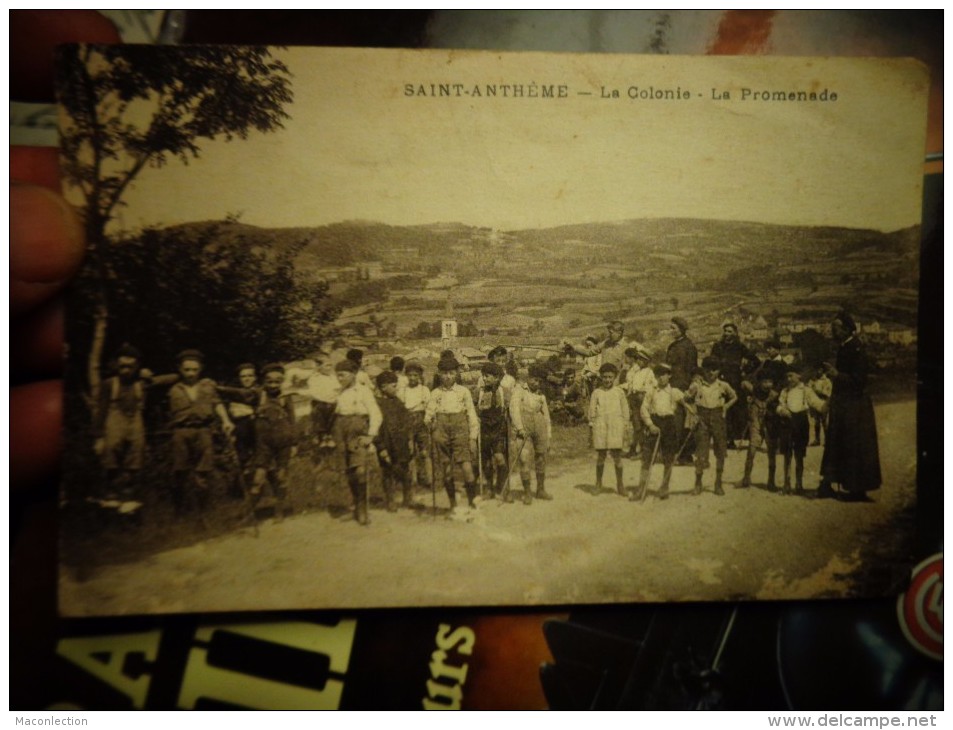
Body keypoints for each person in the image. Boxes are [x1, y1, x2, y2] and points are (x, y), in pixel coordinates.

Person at [818, 313, 882, 501]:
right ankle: (830, 484)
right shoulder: (845, 346)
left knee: (854, 446)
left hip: (855, 406)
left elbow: (859, 381)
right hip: (845, 404)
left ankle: (856, 488)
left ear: (846, 329)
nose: (832, 331)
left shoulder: (856, 349)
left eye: (835, 327)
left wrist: (836, 374)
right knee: (839, 443)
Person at [167, 349, 235, 514]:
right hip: (181, 432)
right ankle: (180, 511)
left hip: (203, 431)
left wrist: (226, 421)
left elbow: (217, 403)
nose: (190, 373)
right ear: (180, 369)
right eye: (187, 369)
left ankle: (203, 511)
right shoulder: (173, 388)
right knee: (179, 471)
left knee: (203, 471)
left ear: (201, 369)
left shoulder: (207, 386)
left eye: (194, 370)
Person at [91, 343, 162, 502]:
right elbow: (101, 411)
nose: (126, 370)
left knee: (135, 455)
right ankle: (111, 495)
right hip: (114, 421)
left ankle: (129, 497)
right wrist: (98, 437)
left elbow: (173, 377)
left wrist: (149, 376)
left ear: (137, 366)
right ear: (116, 364)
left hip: (135, 422)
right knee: (111, 453)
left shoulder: (142, 384)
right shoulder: (109, 384)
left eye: (130, 367)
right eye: (122, 366)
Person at [424, 356, 480, 515]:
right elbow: (428, 416)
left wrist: (473, 437)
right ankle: (453, 504)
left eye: (451, 373)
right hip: (441, 431)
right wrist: (431, 425)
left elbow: (472, 415)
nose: (448, 376)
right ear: (439, 374)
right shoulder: (435, 393)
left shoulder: (463, 392)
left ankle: (472, 502)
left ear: (457, 373)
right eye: (444, 373)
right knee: (446, 468)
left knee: (466, 466)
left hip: (461, 430)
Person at [332, 358, 382, 525]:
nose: (340, 379)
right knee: (348, 472)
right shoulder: (338, 392)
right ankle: (354, 506)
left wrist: (370, 435)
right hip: (341, 432)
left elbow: (376, 414)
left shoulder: (363, 391)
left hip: (358, 432)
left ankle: (362, 508)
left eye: (343, 375)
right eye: (337, 376)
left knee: (360, 471)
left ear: (353, 375)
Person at [249, 363, 298, 517]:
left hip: (283, 442)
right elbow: (240, 396)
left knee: (281, 476)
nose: (273, 385)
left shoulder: (285, 397)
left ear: (282, 381)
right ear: (264, 382)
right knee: (258, 478)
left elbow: (292, 419)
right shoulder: (258, 395)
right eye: (269, 381)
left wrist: (295, 443)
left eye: (277, 381)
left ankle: (279, 509)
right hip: (263, 443)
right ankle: (250, 512)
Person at [687, 356, 737, 496]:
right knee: (701, 453)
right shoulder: (698, 385)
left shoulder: (723, 385)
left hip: (718, 419)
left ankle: (718, 483)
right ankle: (698, 483)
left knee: (720, 451)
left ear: (719, 371)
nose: (711, 373)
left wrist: (725, 407)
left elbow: (734, 396)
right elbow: (685, 399)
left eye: (714, 370)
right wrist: (693, 412)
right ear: (703, 370)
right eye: (708, 369)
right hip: (702, 418)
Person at [636, 363, 685, 501]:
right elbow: (643, 409)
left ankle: (664, 487)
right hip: (655, 423)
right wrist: (650, 424)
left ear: (669, 375)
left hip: (669, 425)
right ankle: (641, 489)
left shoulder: (674, 392)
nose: (661, 378)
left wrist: (695, 415)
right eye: (658, 375)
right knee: (647, 457)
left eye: (664, 374)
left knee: (668, 458)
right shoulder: (651, 391)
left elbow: (688, 404)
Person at [776, 364, 826, 496]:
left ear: (799, 375)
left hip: (801, 423)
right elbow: (779, 405)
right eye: (787, 376)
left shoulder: (806, 390)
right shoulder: (785, 391)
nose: (789, 379)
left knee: (799, 455)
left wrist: (828, 403)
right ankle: (787, 484)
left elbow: (818, 404)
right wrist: (782, 410)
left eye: (791, 375)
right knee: (787, 455)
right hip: (787, 423)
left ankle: (799, 485)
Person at [509, 364, 553, 503]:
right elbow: (514, 410)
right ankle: (527, 492)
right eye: (534, 380)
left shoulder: (541, 395)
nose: (536, 383)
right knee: (524, 459)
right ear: (528, 377)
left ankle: (540, 490)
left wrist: (549, 436)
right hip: (524, 428)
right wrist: (520, 428)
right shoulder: (519, 390)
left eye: (540, 381)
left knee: (541, 457)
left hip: (539, 427)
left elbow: (546, 417)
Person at [710, 322, 759, 448]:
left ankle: (737, 438)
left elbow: (756, 361)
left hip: (736, 382)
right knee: (721, 410)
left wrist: (745, 371)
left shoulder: (740, 347)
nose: (727, 334)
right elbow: (712, 362)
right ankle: (725, 440)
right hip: (721, 382)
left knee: (736, 412)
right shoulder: (718, 346)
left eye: (730, 331)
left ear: (735, 333)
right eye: (725, 331)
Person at [588, 362, 631, 496]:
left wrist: (625, 426)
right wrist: (592, 427)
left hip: (615, 426)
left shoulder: (619, 392)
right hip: (600, 426)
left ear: (614, 377)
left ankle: (620, 485)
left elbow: (625, 411)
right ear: (601, 377)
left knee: (617, 456)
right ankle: (598, 484)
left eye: (610, 377)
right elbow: (591, 412)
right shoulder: (596, 393)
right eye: (605, 377)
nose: (607, 380)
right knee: (601, 456)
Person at [374, 370, 413, 511]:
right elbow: (375, 428)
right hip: (386, 444)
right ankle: (390, 499)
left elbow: (406, 422)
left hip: (401, 444)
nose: (396, 389)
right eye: (394, 386)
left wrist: (409, 439)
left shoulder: (398, 403)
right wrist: (381, 447)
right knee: (388, 471)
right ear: (383, 387)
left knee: (404, 469)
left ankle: (407, 496)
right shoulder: (376, 405)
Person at [739, 371, 780, 491]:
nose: (768, 385)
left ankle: (771, 481)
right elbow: (744, 383)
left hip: (769, 424)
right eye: (765, 382)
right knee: (751, 450)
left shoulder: (774, 395)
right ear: (760, 383)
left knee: (771, 453)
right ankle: (746, 477)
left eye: (770, 382)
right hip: (755, 423)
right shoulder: (754, 392)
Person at [665, 316, 698, 464]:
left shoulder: (689, 347)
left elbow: (692, 369)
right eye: (670, 328)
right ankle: (672, 453)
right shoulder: (671, 346)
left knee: (684, 422)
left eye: (673, 328)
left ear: (681, 329)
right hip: (670, 387)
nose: (671, 331)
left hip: (683, 388)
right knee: (672, 421)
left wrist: (689, 388)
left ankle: (685, 455)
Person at [475, 362, 509, 500]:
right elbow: (473, 409)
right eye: (483, 376)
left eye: (487, 376)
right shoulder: (480, 391)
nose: (484, 378)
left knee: (500, 459)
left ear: (496, 378)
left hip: (499, 430)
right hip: (483, 429)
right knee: (486, 461)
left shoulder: (504, 391)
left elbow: (509, 409)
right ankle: (489, 487)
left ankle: (502, 487)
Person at [564, 320, 636, 384]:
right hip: (602, 380)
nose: (609, 335)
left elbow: (625, 370)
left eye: (611, 333)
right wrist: (573, 347)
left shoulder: (626, 348)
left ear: (619, 333)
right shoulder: (606, 342)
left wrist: (615, 385)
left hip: (615, 383)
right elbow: (589, 352)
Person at [403, 361, 433, 489]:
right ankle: (413, 479)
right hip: (408, 421)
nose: (412, 378)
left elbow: (429, 407)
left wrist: (428, 420)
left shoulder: (424, 390)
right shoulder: (403, 391)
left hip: (421, 421)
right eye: (410, 375)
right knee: (410, 451)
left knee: (425, 452)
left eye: (415, 375)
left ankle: (429, 479)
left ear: (420, 376)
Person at [622, 346, 656, 458]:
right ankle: (634, 449)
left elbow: (651, 387)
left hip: (643, 399)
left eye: (642, 360)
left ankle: (643, 450)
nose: (639, 361)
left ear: (647, 361)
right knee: (637, 425)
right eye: (638, 359)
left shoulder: (649, 372)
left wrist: (644, 395)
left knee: (643, 425)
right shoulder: (637, 372)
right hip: (634, 399)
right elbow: (632, 385)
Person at [306, 353, 340, 451]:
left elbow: (337, 389)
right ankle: (322, 436)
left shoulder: (332, 377)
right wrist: (327, 399)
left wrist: (335, 397)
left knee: (334, 414)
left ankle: (330, 436)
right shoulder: (314, 378)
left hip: (332, 402)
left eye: (331, 365)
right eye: (327, 365)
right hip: (320, 403)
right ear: (319, 366)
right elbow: (314, 393)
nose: (330, 368)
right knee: (319, 412)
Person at [808, 367, 833, 445]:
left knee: (824, 421)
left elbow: (827, 393)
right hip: (814, 403)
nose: (817, 372)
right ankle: (817, 439)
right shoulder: (812, 381)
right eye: (816, 370)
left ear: (823, 371)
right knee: (816, 421)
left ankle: (827, 439)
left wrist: (817, 391)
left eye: (819, 370)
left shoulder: (826, 381)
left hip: (823, 402)